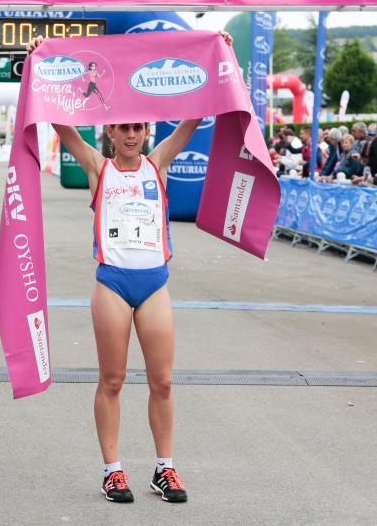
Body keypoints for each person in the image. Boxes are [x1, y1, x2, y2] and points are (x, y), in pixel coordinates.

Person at [28, 30, 233, 505]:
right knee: (113, 380)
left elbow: (193, 118)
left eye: (138, 128)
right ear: (110, 133)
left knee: (162, 381)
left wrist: (218, 52)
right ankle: (113, 470)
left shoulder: (157, 165)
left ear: (146, 132)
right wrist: (40, 62)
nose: (131, 134)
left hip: (155, 284)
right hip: (113, 285)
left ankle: (165, 468)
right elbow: (62, 126)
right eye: (122, 128)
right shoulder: (99, 168)